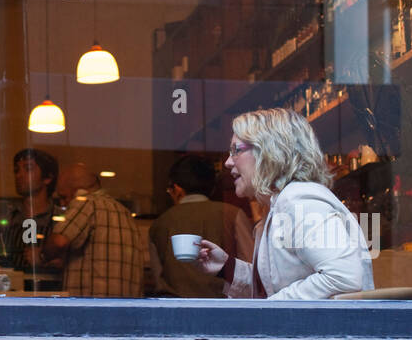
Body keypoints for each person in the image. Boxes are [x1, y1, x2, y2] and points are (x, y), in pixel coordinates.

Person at [198, 107, 372, 300]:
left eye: (236, 151)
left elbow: (343, 277)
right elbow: (274, 288)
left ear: (269, 152)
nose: (228, 162)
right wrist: (226, 267)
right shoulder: (283, 203)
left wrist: (272, 308)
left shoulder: (299, 201)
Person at [148, 154, 254, 297]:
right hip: (223, 307)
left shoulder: (159, 223)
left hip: (174, 307)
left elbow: (158, 278)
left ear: (177, 189)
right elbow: (251, 263)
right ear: (212, 187)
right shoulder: (232, 214)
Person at [42, 161, 145, 298]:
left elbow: (59, 241)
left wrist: (41, 255)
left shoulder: (86, 202)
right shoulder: (125, 213)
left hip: (91, 309)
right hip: (125, 309)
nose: (63, 204)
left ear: (79, 190)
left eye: (64, 197)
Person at [2, 147, 59, 276]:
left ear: (47, 178)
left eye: (28, 169)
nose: (19, 175)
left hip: (50, 291)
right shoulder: (10, 218)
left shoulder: (60, 220)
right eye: (16, 170)